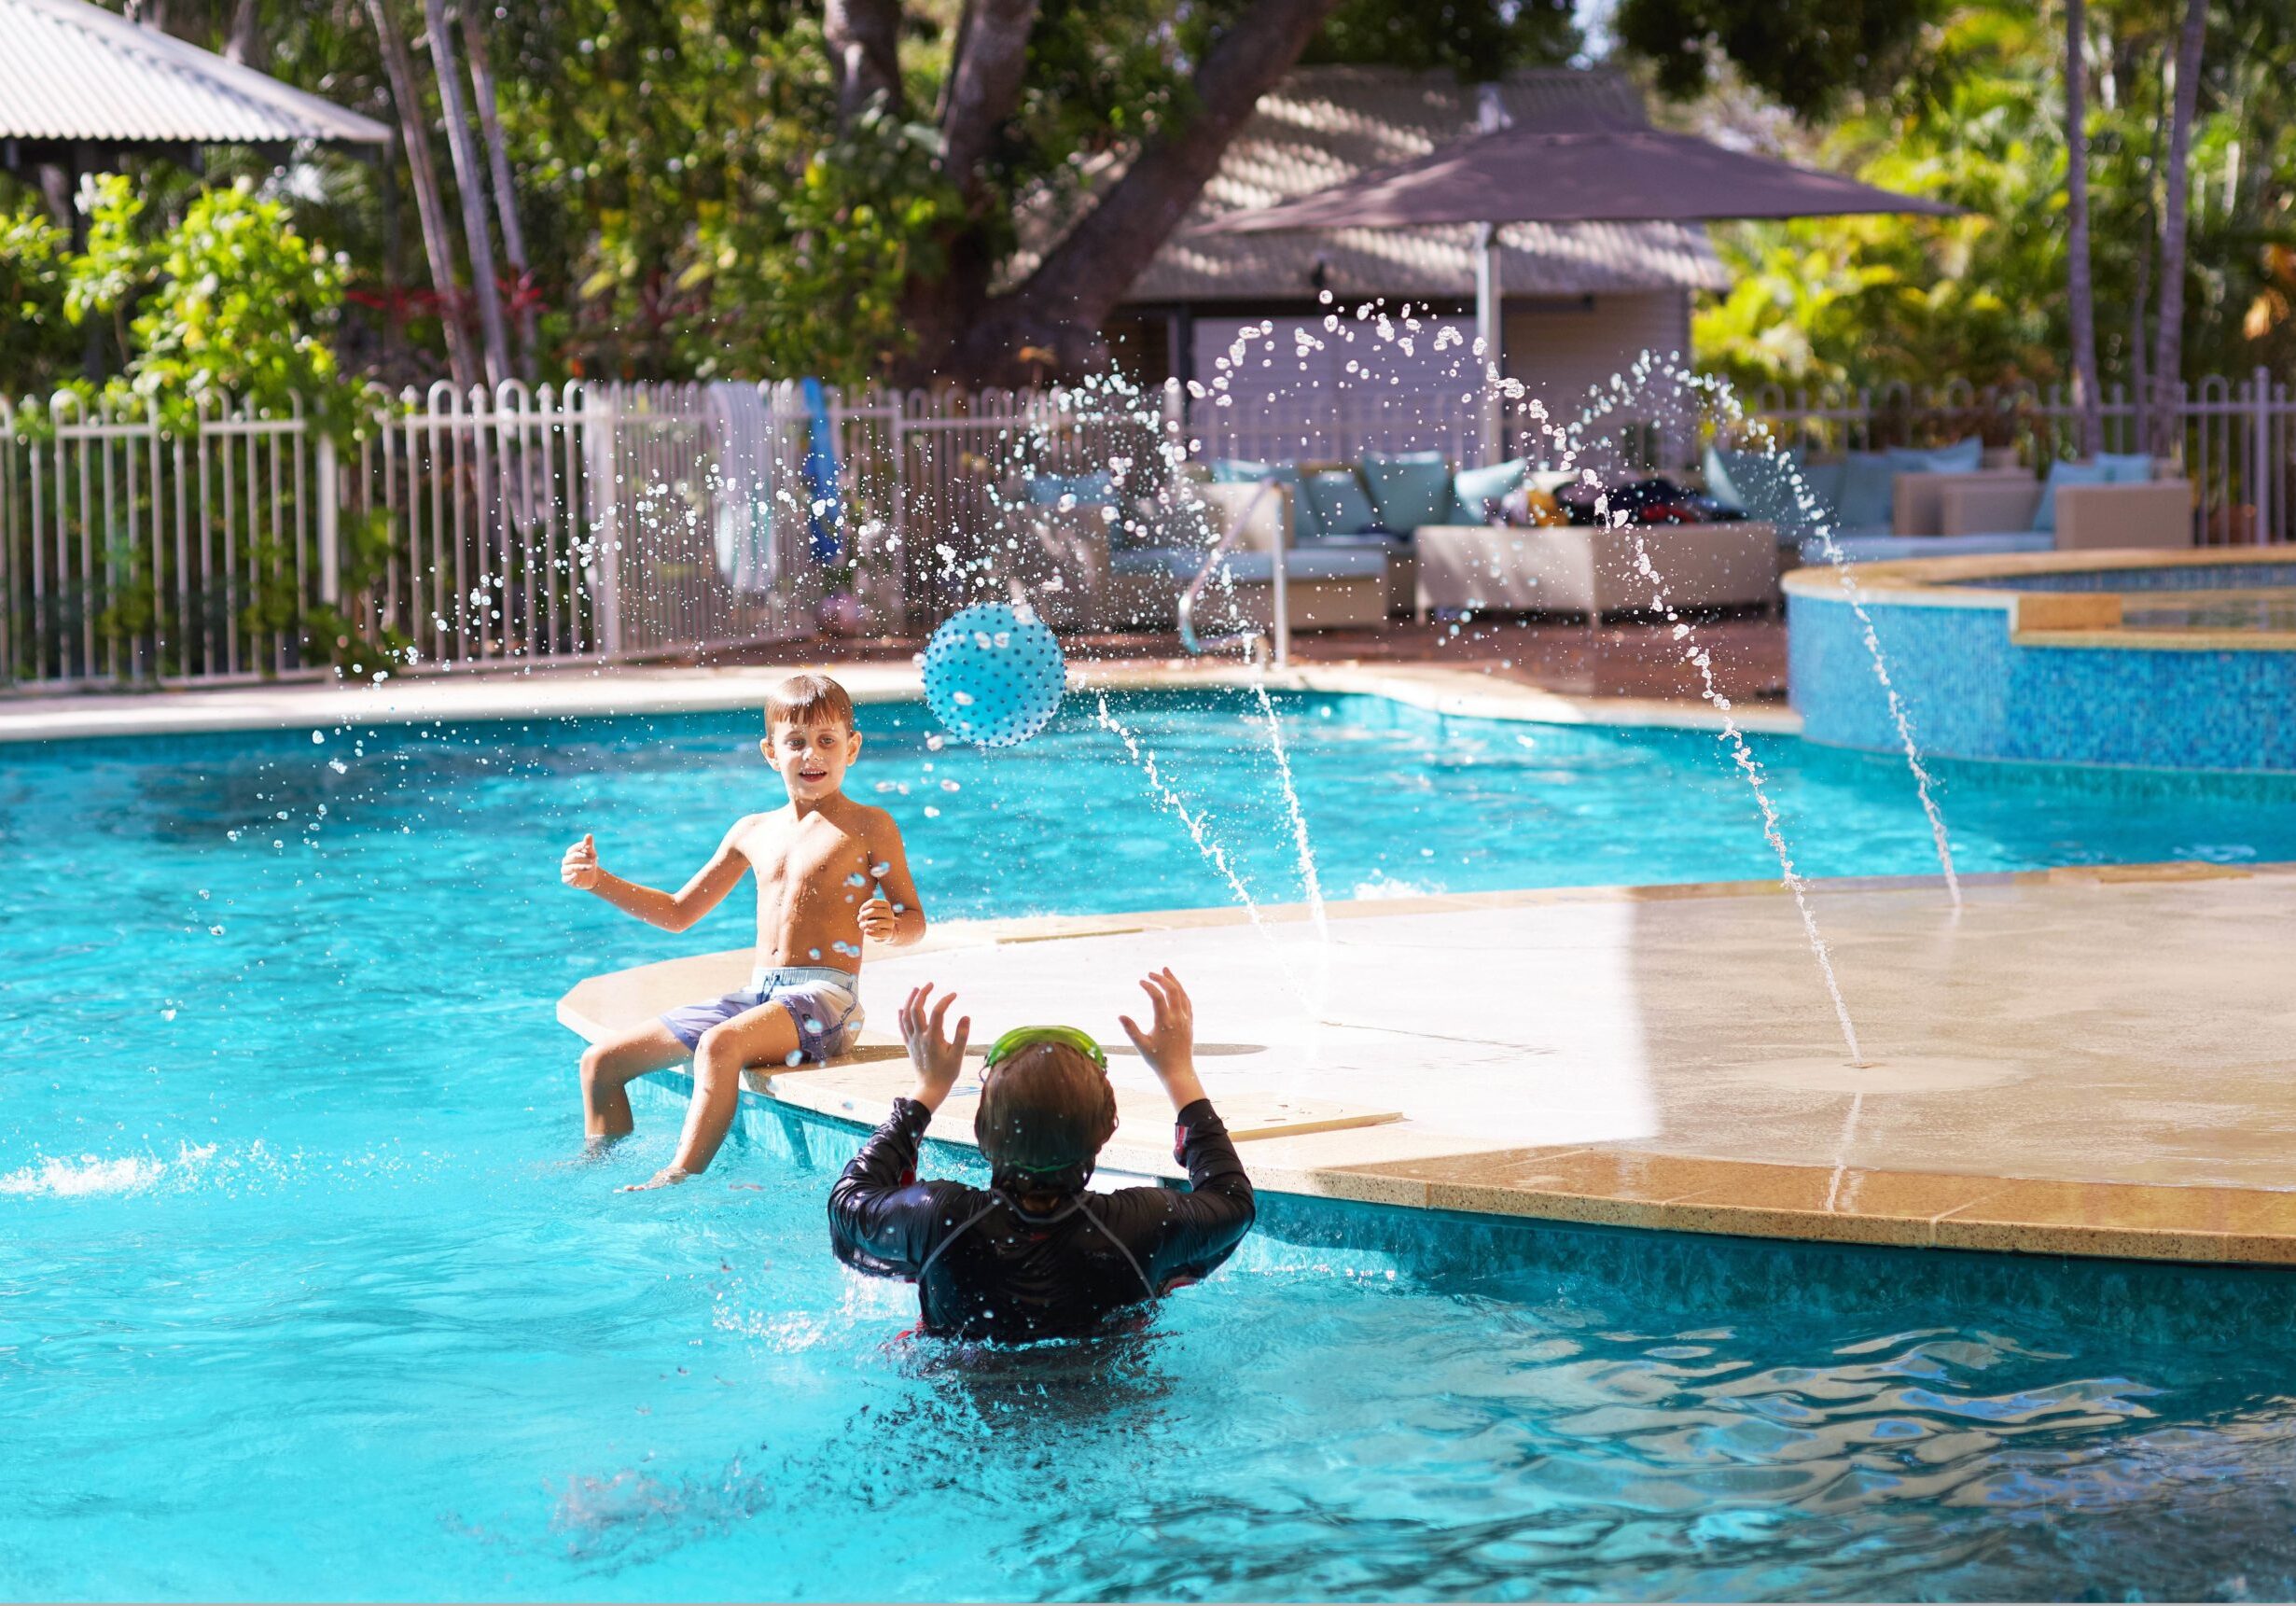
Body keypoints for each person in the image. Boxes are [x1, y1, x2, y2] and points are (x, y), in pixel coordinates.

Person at [561, 673, 926, 1188]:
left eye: (827, 741)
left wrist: (889, 928)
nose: (811, 755)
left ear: (853, 746)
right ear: (770, 752)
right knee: (601, 1062)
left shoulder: (869, 826)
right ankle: (597, 1172)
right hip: (761, 996)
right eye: (795, 742)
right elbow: (677, 912)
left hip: (828, 1000)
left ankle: (676, 1177)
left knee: (718, 1046)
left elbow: (913, 920)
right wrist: (599, 881)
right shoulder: (753, 831)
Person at [828, 970, 1256, 1343]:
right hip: (1104, 1411)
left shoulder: (939, 1220)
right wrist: (1178, 1074)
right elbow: (1234, 1201)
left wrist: (926, 1094)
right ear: (1107, 1131)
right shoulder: (1142, 1226)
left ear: (980, 1132)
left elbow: (848, 1202)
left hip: (962, 1400)